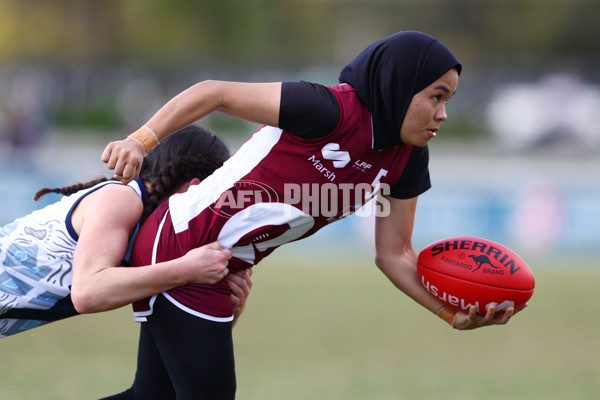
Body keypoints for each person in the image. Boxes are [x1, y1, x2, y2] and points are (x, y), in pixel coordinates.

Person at [101, 31, 523, 399]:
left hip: (213, 263)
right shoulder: (329, 110)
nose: (443, 114)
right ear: (400, 84)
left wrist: (450, 313)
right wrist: (140, 140)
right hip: (183, 244)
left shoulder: (408, 159)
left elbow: (394, 254)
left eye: (447, 100)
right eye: (436, 96)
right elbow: (215, 91)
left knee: (151, 396)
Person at [0, 125, 252, 338]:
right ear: (192, 188)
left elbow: (178, 362)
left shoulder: (156, 237)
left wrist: (230, 311)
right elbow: (87, 292)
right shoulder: (122, 198)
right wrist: (187, 269)